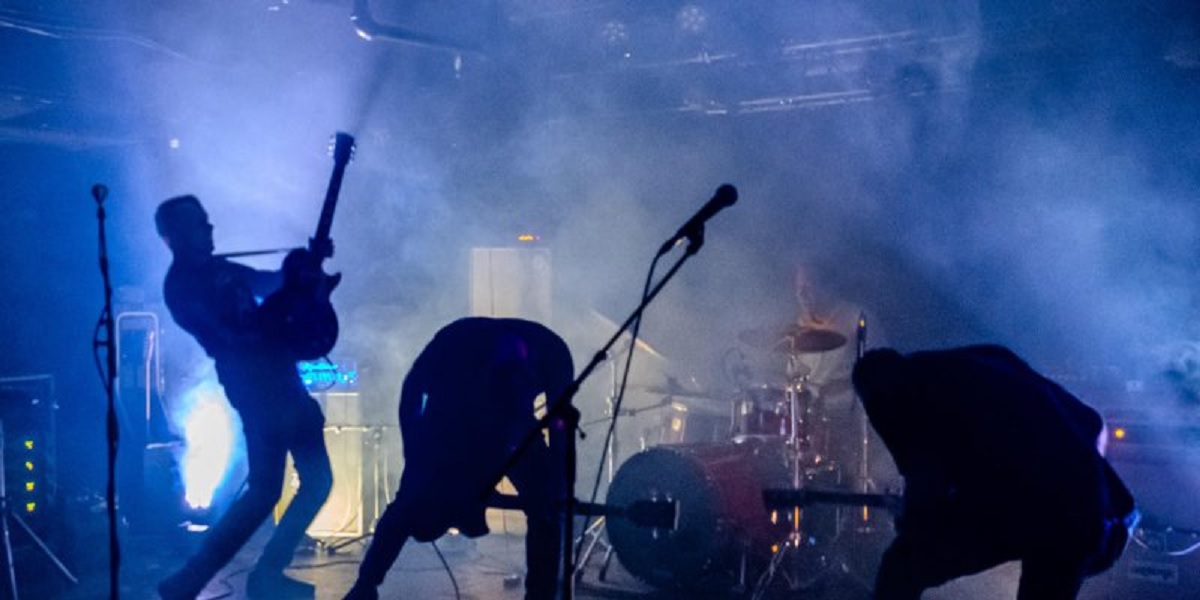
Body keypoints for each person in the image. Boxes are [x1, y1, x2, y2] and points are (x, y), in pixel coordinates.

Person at [851, 345, 1138, 599]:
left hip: (1039, 508)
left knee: (902, 567)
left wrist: (909, 521)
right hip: (1085, 511)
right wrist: (1094, 491)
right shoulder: (989, 358)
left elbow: (927, 484)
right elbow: (1091, 421)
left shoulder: (901, 396)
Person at [153, 195, 333, 599]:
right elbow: (232, 337)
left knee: (292, 485)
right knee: (276, 487)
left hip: (276, 381)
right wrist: (294, 289)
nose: (210, 228)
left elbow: (268, 284)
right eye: (199, 224)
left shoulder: (220, 270)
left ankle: (211, 578)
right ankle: (223, 577)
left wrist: (301, 268)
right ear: (174, 236)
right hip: (257, 387)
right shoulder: (181, 287)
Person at [343, 317, 576, 600]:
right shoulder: (451, 358)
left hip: (512, 423)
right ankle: (365, 585)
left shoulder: (550, 355)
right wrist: (413, 453)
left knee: (544, 505)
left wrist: (555, 481)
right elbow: (412, 391)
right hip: (467, 419)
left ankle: (365, 584)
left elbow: (559, 422)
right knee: (409, 503)